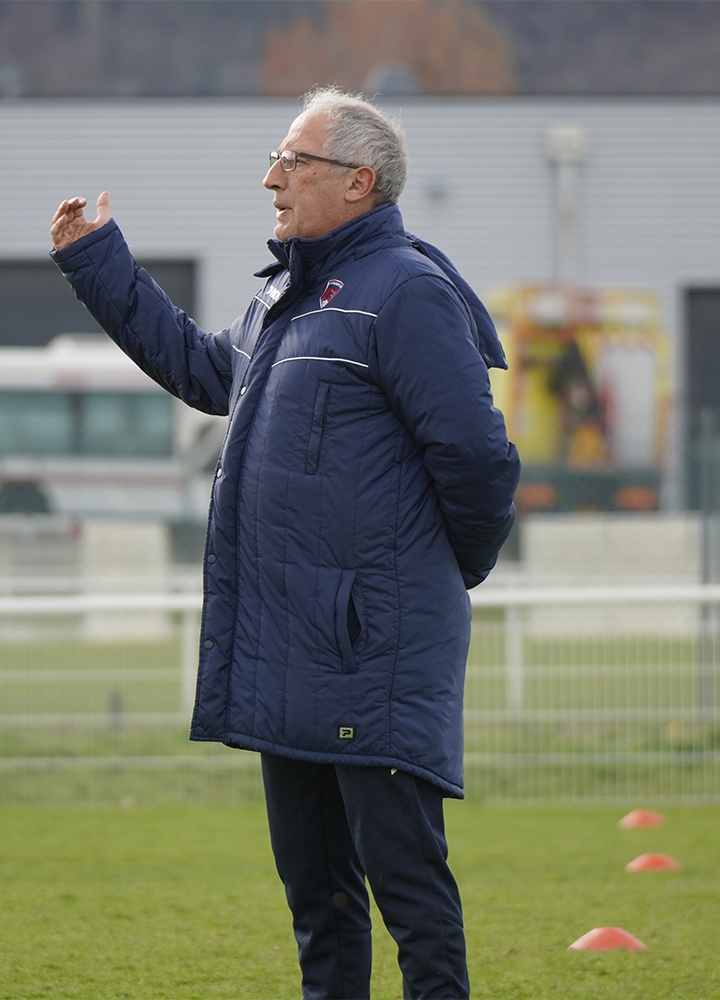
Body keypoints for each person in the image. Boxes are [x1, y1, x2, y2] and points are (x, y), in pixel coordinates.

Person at [50, 86, 520, 1000]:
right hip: (290, 649)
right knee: (319, 898)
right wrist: (96, 263)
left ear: (358, 181)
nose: (271, 178)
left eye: (291, 161)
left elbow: (477, 459)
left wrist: (438, 576)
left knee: (407, 891)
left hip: (369, 647)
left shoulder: (408, 291)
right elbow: (197, 366)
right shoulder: (286, 300)